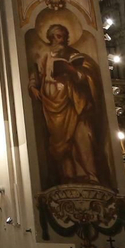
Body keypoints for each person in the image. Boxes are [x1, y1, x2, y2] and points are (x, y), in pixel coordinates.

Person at [29, 23, 110, 186]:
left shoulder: (74, 54)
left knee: (82, 136)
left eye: (64, 36)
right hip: (52, 103)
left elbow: (87, 75)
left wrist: (73, 71)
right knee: (61, 142)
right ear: (51, 38)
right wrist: (32, 86)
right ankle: (69, 176)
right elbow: (36, 75)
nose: (63, 40)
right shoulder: (45, 57)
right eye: (59, 36)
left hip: (74, 100)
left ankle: (91, 175)